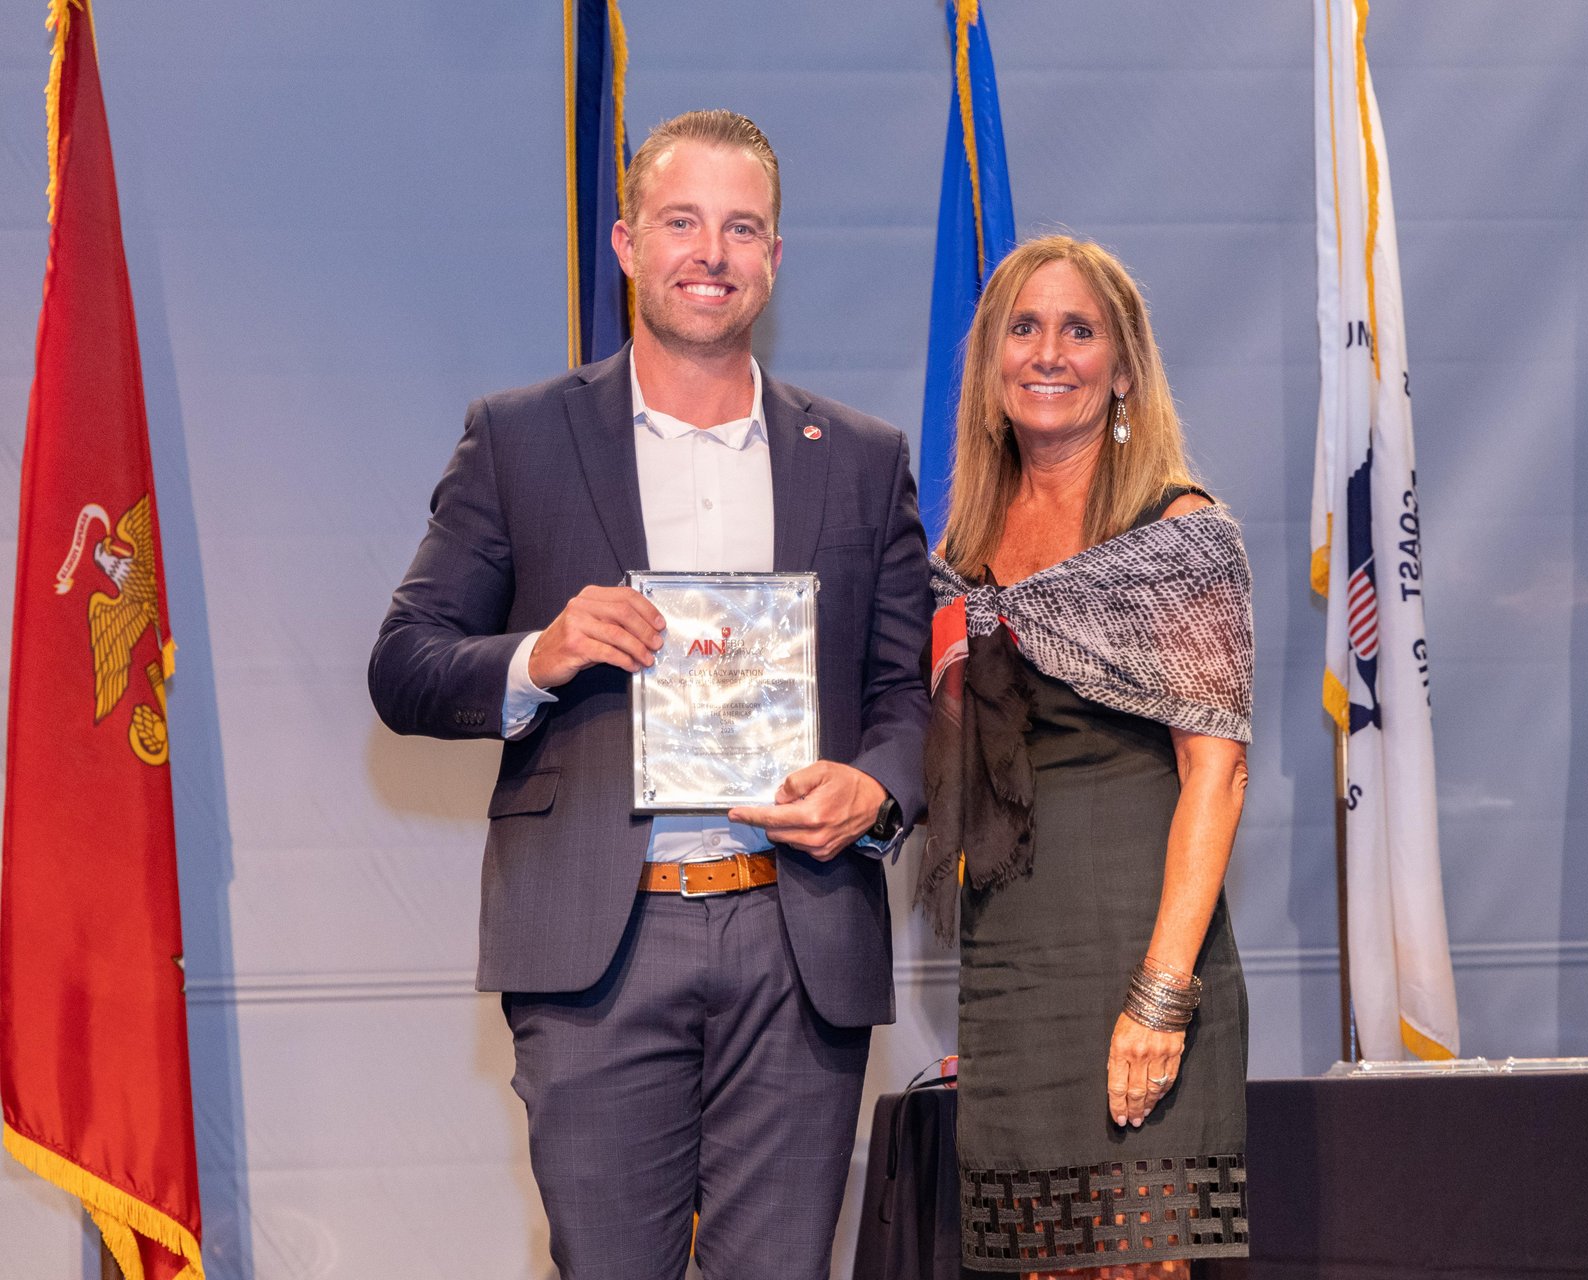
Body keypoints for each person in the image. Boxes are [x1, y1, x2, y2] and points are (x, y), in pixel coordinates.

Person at [368, 110, 930, 1280]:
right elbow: (406, 662)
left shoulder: (863, 456)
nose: (710, 253)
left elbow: (904, 693)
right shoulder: (520, 437)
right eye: (683, 222)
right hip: (595, 951)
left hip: (800, 936)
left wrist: (876, 786)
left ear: (776, 258)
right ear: (627, 243)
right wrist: (543, 653)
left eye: (742, 228)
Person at [918, 236, 1254, 1276]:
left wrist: (1161, 995)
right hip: (1012, 969)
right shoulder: (958, 558)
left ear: (1122, 366)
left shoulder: (1180, 535)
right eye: (1024, 327)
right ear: (989, 365)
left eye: (1079, 329)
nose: (1049, 352)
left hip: (1140, 959)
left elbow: (1218, 772)